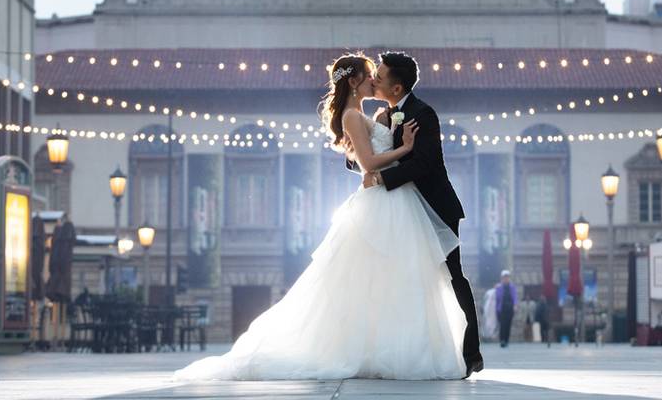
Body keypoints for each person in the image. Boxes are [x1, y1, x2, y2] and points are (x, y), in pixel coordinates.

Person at [175, 53, 469, 381]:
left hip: (395, 201)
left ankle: (392, 347)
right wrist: (404, 148)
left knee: (394, 278)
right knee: (380, 277)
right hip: (384, 201)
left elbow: (367, 160)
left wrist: (387, 133)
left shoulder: (371, 113)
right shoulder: (353, 116)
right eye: (371, 74)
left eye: (378, 75)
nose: (375, 80)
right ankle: (377, 350)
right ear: (355, 80)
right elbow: (369, 164)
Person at [362, 51, 484, 376]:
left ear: (398, 87)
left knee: (452, 275)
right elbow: (372, 154)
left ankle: (471, 351)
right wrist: (361, 161)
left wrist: (381, 177)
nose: (374, 79)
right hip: (402, 212)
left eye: (381, 76)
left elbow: (424, 163)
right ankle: (412, 348)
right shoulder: (383, 115)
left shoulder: (423, 113)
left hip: (435, 207)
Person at [495, 270, 517, 347]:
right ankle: (502, 340)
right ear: (502, 278)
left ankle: (506, 340)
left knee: (508, 324)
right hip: (502, 309)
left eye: (507, 277)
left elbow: (514, 297)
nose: (506, 279)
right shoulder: (499, 287)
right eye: (504, 277)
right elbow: (497, 298)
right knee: (502, 325)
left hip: (510, 308)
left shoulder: (512, 287)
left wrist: (515, 305)